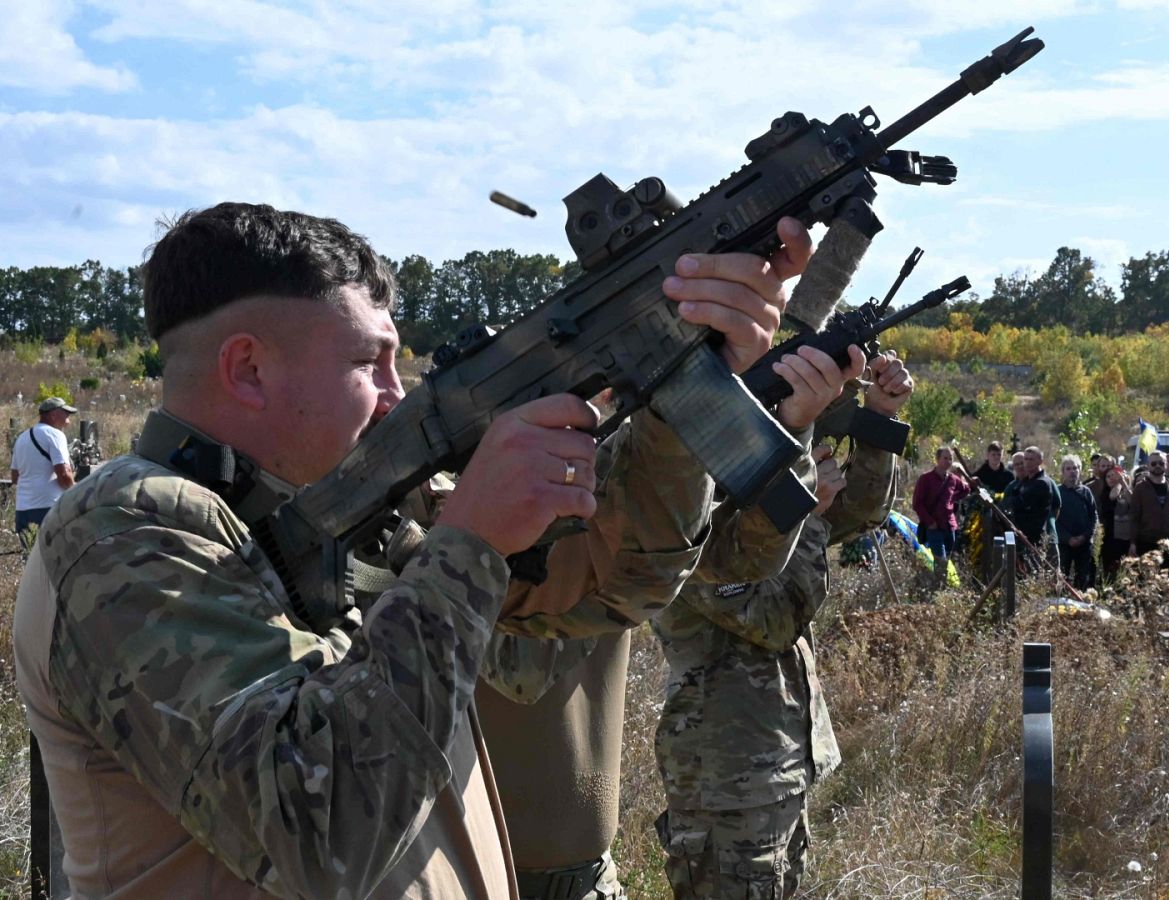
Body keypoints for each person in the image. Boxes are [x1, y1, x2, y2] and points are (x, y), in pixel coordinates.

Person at [11, 201, 808, 898]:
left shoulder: (353, 516)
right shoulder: (124, 531)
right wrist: (470, 543)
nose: (399, 395)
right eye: (370, 363)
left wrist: (675, 373)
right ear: (247, 369)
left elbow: (609, 587)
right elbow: (322, 833)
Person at [652, 368, 908, 900]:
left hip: (777, 768)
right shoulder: (688, 532)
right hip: (728, 780)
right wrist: (806, 514)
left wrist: (879, 419)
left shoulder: (754, 512)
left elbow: (861, 513)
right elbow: (775, 620)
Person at [9, 396, 76, 548]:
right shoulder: (55, 435)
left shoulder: (22, 438)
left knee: (29, 558)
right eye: (65, 413)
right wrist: (76, 491)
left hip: (22, 510)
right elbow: (64, 475)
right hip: (48, 508)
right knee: (55, 557)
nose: (68, 417)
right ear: (53, 415)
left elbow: (14, 477)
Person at [1004, 445, 1061, 569]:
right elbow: (1009, 502)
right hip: (1025, 539)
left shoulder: (1042, 482)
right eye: (1026, 459)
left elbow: (1019, 503)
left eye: (1031, 459)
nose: (1027, 463)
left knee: (1045, 574)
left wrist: (1012, 502)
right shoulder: (1024, 482)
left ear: (1040, 461)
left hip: (1039, 540)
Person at [912, 447, 972, 563]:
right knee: (941, 562)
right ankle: (939, 575)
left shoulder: (953, 479)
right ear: (937, 459)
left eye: (950, 459)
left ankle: (943, 576)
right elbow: (917, 504)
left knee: (948, 561)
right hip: (934, 527)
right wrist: (930, 522)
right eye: (945, 458)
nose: (948, 461)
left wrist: (952, 499)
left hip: (949, 527)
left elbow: (966, 489)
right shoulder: (925, 479)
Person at [1055, 454, 1097, 589]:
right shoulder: (1057, 492)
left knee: (1083, 580)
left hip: (1084, 544)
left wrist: (1084, 537)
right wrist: (1068, 538)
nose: (1072, 471)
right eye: (1068, 469)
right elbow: (1053, 519)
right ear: (1063, 472)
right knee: (1061, 578)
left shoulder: (1086, 492)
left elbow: (1093, 517)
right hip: (1063, 544)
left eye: (1075, 468)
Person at [1099, 466, 1133, 580]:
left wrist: (1123, 482)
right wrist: (1119, 483)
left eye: (1114, 475)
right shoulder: (1105, 493)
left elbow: (1132, 502)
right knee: (1109, 571)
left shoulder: (1126, 490)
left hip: (1124, 537)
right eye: (1108, 476)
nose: (1111, 478)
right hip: (1109, 537)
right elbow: (1113, 496)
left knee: (1124, 571)